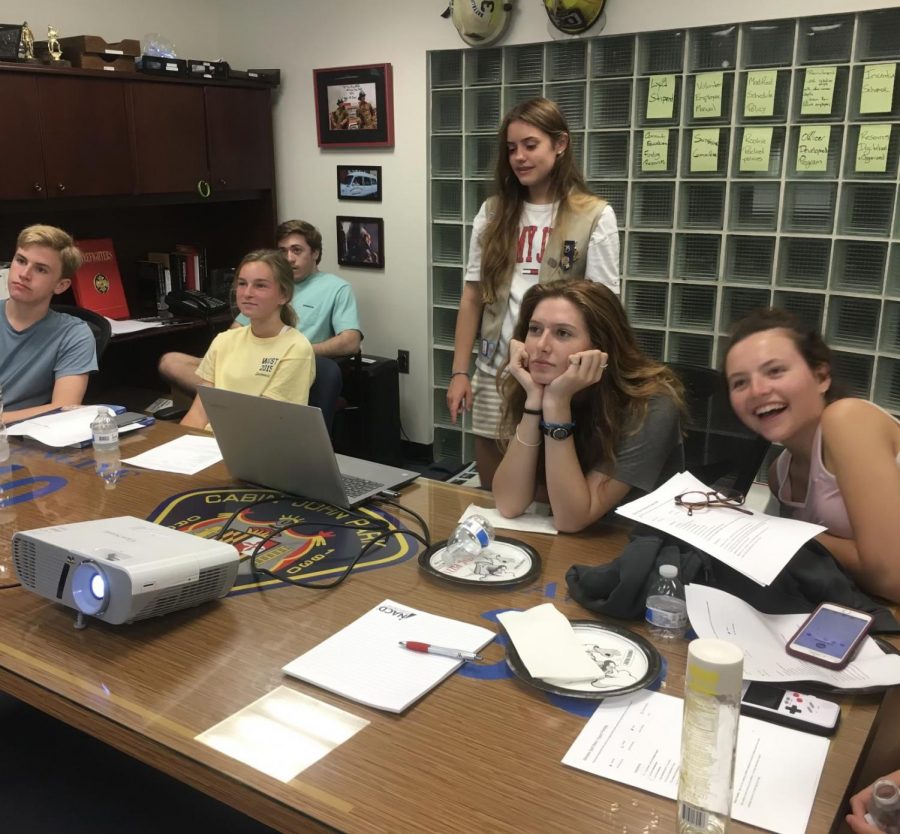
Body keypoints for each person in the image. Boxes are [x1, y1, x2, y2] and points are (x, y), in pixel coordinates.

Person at [447, 97, 620, 489]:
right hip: (495, 371)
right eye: (511, 148)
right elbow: (472, 297)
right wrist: (460, 372)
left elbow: (603, 310)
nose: (519, 157)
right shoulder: (493, 213)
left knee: (547, 490)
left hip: (559, 381)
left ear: (559, 145)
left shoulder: (594, 215)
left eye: (530, 145)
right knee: (495, 491)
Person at [723, 308, 900, 602]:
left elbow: (892, 577)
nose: (757, 390)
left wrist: (772, 529)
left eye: (775, 371)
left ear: (821, 377)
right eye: (740, 382)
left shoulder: (848, 419)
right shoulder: (780, 474)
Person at [492, 281, 684, 533]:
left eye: (563, 333)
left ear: (600, 347)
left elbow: (572, 519)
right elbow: (508, 504)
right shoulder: (536, 386)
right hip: (571, 542)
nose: (541, 346)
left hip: (632, 542)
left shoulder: (651, 404)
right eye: (535, 329)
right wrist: (534, 402)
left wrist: (557, 404)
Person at [159, 219, 361, 398]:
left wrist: (294, 352)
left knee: (217, 383)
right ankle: (228, 398)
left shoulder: (335, 287)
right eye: (282, 251)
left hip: (286, 365)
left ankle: (224, 399)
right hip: (247, 362)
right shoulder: (264, 282)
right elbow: (235, 332)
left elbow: (350, 342)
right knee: (170, 361)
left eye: (297, 250)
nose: (289, 258)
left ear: (315, 253)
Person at [180, 250, 314, 430]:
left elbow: (264, 425)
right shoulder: (224, 340)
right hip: (209, 446)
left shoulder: (296, 348)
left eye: (260, 285)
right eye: (242, 284)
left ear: (284, 295)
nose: (247, 293)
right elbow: (198, 413)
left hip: (253, 448)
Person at [1, 224, 97, 424]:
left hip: (22, 439)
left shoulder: (74, 334)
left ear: (61, 285)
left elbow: (65, 408)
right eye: (20, 261)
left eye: (41, 269)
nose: (24, 274)